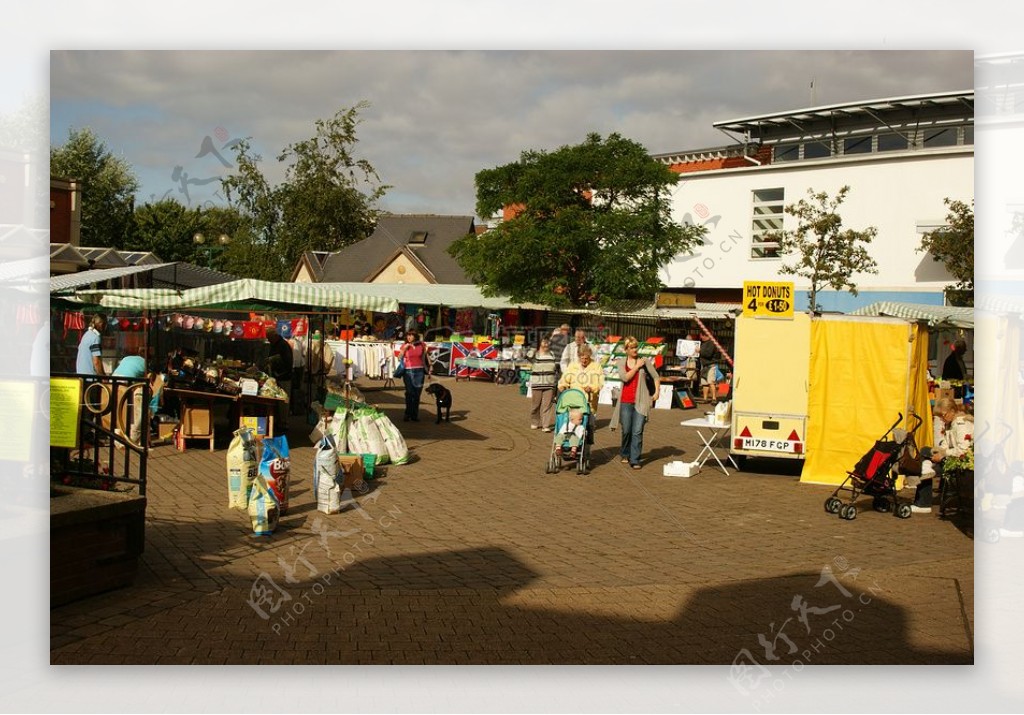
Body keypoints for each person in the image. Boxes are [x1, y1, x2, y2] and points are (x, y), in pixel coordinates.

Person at [913, 397, 973, 514]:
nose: (941, 419)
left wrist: (943, 454)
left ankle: (923, 503)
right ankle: (926, 468)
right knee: (926, 453)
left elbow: (963, 450)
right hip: (951, 457)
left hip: (960, 462)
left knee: (925, 464)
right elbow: (946, 445)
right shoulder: (950, 424)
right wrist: (939, 452)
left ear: (951, 411)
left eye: (943, 415)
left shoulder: (961, 424)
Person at [610, 336, 661, 470]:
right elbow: (625, 378)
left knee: (637, 431)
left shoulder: (644, 361)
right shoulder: (621, 362)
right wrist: (636, 367)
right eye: (632, 348)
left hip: (641, 401)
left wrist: (657, 392)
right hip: (625, 401)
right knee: (626, 430)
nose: (635, 350)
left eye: (636, 347)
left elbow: (655, 376)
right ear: (626, 349)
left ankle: (635, 459)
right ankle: (625, 452)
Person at [557, 343, 604, 415]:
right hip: (575, 400)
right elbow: (565, 378)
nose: (584, 361)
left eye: (586, 358)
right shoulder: (572, 365)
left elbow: (600, 382)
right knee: (575, 421)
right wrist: (562, 386)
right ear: (579, 356)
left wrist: (592, 389)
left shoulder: (596, 366)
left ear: (590, 357)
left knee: (589, 423)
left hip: (590, 401)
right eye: (582, 358)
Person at [265, 326, 293, 433]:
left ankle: (284, 423)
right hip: (276, 377)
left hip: (284, 377)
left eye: (269, 337)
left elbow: (287, 362)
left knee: (283, 400)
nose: (268, 340)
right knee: (278, 402)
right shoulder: (275, 344)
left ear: (274, 336)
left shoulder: (283, 345)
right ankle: (279, 421)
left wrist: (274, 360)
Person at [528, 338, 558, 432]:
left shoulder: (553, 355)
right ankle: (535, 422)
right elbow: (527, 357)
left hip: (549, 384)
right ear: (539, 343)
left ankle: (546, 425)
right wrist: (533, 348)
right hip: (537, 383)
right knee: (535, 406)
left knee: (547, 406)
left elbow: (557, 368)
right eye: (543, 342)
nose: (546, 344)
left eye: (547, 342)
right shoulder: (535, 354)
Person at [399, 329, 428, 422]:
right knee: (409, 392)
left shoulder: (422, 345)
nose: (409, 337)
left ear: (415, 336)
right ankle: (407, 413)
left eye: (411, 335)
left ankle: (414, 415)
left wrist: (428, 369)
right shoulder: (404, 345)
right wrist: (404, 349)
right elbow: (399, 357)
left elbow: (423, 358)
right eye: (408, 335)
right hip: (408, 371)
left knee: (417, 394)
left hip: (419, 371)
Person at [288, 334, 307, 416]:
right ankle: (294, 408)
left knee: (294, 389)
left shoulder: (297, 340)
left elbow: (302, 353)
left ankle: (294, 408)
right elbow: (303, 353)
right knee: (294, 388)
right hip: (295, 367)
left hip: (296, 368)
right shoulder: (297, 341)